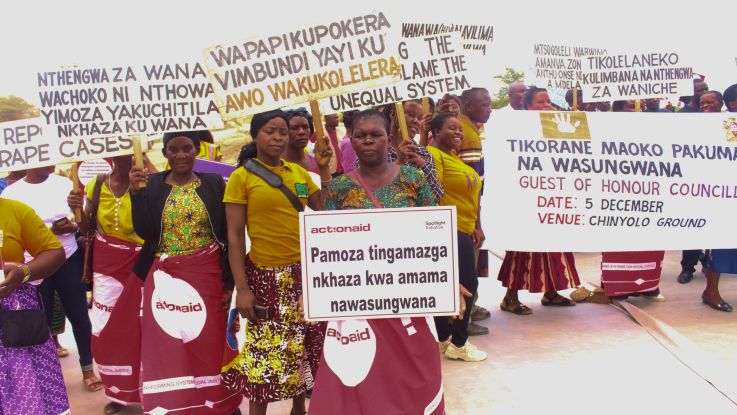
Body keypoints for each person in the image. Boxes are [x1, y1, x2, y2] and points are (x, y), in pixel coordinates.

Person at [308, 109, 450, 414]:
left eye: (376, 134)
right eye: (361, 135)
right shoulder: (337, 189)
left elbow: (432, 233)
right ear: (352, 140)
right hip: (358, 306)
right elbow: (327, 249)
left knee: (411, 380)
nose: (368, 141)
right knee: (364, 385)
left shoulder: (413, 179)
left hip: (409, 300)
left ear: (390, 140)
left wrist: (451, 284)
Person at [222, 110, 332, 415]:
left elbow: (324, 211)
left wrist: (323, 171)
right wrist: (242, 289)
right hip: (265, 278)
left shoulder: (298, 175)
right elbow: (234, 237)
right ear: (256, 135)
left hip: (303, 276)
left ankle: (300, 410)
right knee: (265, 358)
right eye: (271, 131)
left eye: (282, 132)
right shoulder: (241, 177)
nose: (278, 137)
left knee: (307, 348)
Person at [129, 130, 242, 415]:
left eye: (187, 148)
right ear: (165, 153)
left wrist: (228, 283)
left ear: (197, 150)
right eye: (173, 149)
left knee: (209, 340)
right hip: (166, 279)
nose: (180, 155)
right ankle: (178, 405)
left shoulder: (214, 183)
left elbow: (227, 236)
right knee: (171, 342)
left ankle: (220, 402)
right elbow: (145, 232)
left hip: (208, 275)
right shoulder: (151, 183)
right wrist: (136, 194)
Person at [2, 166, 102, 391]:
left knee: (78, 315)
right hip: (33, 267)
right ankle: (47, 374)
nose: (50, 161)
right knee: (40, 320)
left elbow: (79, 223)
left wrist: (72, 226)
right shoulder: (11, 194)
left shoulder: (65, 184)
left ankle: (87, 368)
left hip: (67, 257)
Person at [67, 155, 145, 415]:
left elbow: (155, 224)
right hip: (106, 265)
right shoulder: (97, 184)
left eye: (132, 150)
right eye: (121, 149)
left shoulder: (149, 180)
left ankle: (149, 390)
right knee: (106, 328)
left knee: (143, 327)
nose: (127, 156)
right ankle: (118, 393)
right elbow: (86, 227)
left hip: (142, 265)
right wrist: (77, 209)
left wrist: (141, 190)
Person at [497, 87, 581, 314]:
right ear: (526, 105)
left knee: (555, 246)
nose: (546, 107)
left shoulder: (556, 127)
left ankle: (552, 292)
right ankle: (510, 298)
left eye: (547, 103)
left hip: (552, 196)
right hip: (525, 198)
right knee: (523, 249)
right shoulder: (515, 128)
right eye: (540, 103)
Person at [428, 112, 487, 362]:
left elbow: (473, 196)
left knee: (452, 285)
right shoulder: (433, 155)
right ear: (436, 132)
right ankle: (459, 343)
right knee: (467, 285)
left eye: (460, 129)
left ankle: (445, 338)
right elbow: (435, 189)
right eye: (451, 129)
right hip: (447, 227)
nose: (458, 133)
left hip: (464, 227)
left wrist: (476, 224)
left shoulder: (455, 159)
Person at [0, 197, 68, 414]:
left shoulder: (15, 211)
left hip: (14, 318)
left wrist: (23, 273)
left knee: (24, 389)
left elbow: (55, 252)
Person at [458, 88, 493, 332]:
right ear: (468, 105)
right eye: (485, 104)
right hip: (465, 212)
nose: (489, 109)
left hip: (464, 210)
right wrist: (477, 224)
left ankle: (471, 306)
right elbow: (472, 185)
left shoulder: (468, 127)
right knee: (466, 267)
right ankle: (464, 317)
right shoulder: (468, 135)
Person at [380, 100, 445, 204]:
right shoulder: (376, 152)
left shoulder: (423, 154)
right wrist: (399, 162)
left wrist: (421, 164)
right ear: (393, 114)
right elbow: (369, 192)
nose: (416, 121)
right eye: (411, 115)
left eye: (420, 118)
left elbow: (436, 196)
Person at [284, 108, 319, 173]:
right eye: (294, 128)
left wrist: (324, 167)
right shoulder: (277, 165)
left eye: (306, 127)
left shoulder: (317, 161)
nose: (302, 132)